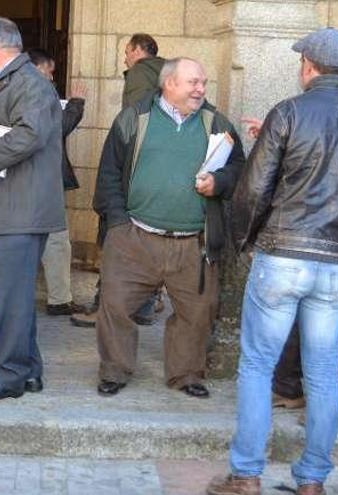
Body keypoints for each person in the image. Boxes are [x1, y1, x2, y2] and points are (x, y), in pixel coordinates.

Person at [207, 28, 338, 495]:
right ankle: (312, 482)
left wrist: (245, 242)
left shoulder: (290, 111)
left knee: (257, 366)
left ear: (308, 65)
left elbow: (252, 189)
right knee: (324, 373)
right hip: (333, 264)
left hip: (282, 255)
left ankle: (246, 475)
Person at [92, 57, 245, 399]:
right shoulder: (134, 118)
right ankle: (115, 369)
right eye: (193, 83)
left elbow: (238, 168)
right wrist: (118, 224)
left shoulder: (216, 122)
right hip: (135, 237)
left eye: (203, 83)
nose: (201, 89)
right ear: (169, 84)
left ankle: (186, 374)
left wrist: (218, 183)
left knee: (197, 312)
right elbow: (109, 174)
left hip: (193, 241)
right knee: (115, 304)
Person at [240, 71, 338, 419]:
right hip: (331, 244)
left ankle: (321, 400)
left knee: (329, 337)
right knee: (306, 327)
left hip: (318, 242)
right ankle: (292, 390)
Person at [0, 17, 65, 401]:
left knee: (11, 298)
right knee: (16, 296)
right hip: (11, 207)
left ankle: (9, 374)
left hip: (18, 210)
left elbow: (29, 134)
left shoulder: (27, 82)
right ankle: (29, 370)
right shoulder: (16, 81)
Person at [71, 32, 166, 329]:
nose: (124, 58)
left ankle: (106, 306)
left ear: (139, 50)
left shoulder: (140, 73)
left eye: (127, 51)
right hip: (157, 176)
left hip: (135, 173)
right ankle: (146, 305)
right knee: (148, 242)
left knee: (116, 238)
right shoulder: (166, 72)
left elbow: (133, 123)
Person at [28, 48, 87, 316]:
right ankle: (59, 299)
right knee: (57, 241)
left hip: (32, 180)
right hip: (45, 180)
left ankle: (58, 298)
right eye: (50, 72)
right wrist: (76, 104)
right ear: (38, 68)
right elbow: (56, 129)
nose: (52, 78)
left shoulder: (20, 90)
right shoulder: (38, 91)